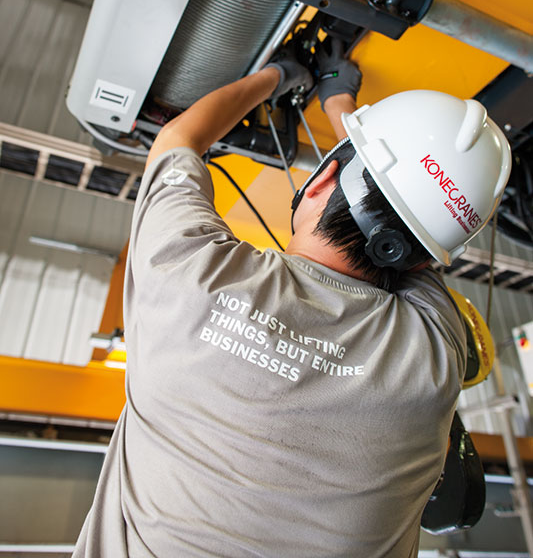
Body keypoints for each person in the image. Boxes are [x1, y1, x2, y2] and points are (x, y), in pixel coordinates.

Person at [73, 41, 511, 558]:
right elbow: (409, 226)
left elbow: (179, 138)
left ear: (325, 176)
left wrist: (297, 81)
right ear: (426, 261)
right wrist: (305, 85)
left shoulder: (190, 271)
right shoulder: (435, 352)